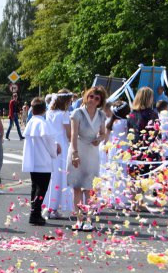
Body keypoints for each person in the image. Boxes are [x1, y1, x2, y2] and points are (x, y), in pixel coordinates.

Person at [66, 86, 107, 231]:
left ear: (100, 101)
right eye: (91, 96)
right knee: (77, 187)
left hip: (92, 151)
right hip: (78, 148)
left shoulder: (101, 115)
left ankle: (89, 219)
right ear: (86, 97)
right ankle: (79, 219)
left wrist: (99, 139)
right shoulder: (77, 113)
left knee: (89, 188)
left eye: (97, 98)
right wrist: (75, 153)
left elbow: (103, 133)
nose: (93, 100)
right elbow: (73, 134)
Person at [22, 97, 60, 226]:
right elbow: (49, 142)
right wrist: (55, 150)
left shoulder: (31, 122)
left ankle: (34, 212)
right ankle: (35, 214)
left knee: (35, 188)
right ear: (44, 110)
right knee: (41, 189)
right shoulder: (42, 124)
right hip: (43, 161)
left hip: (33, 161)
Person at [43, 90, 73, 218]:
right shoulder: (64, 114)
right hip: (62, 144)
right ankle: (52, 208)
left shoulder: (49, 112)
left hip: (52, 144)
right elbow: (68, 133)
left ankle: (50, 206)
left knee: (52, 175)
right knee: (60, 176)